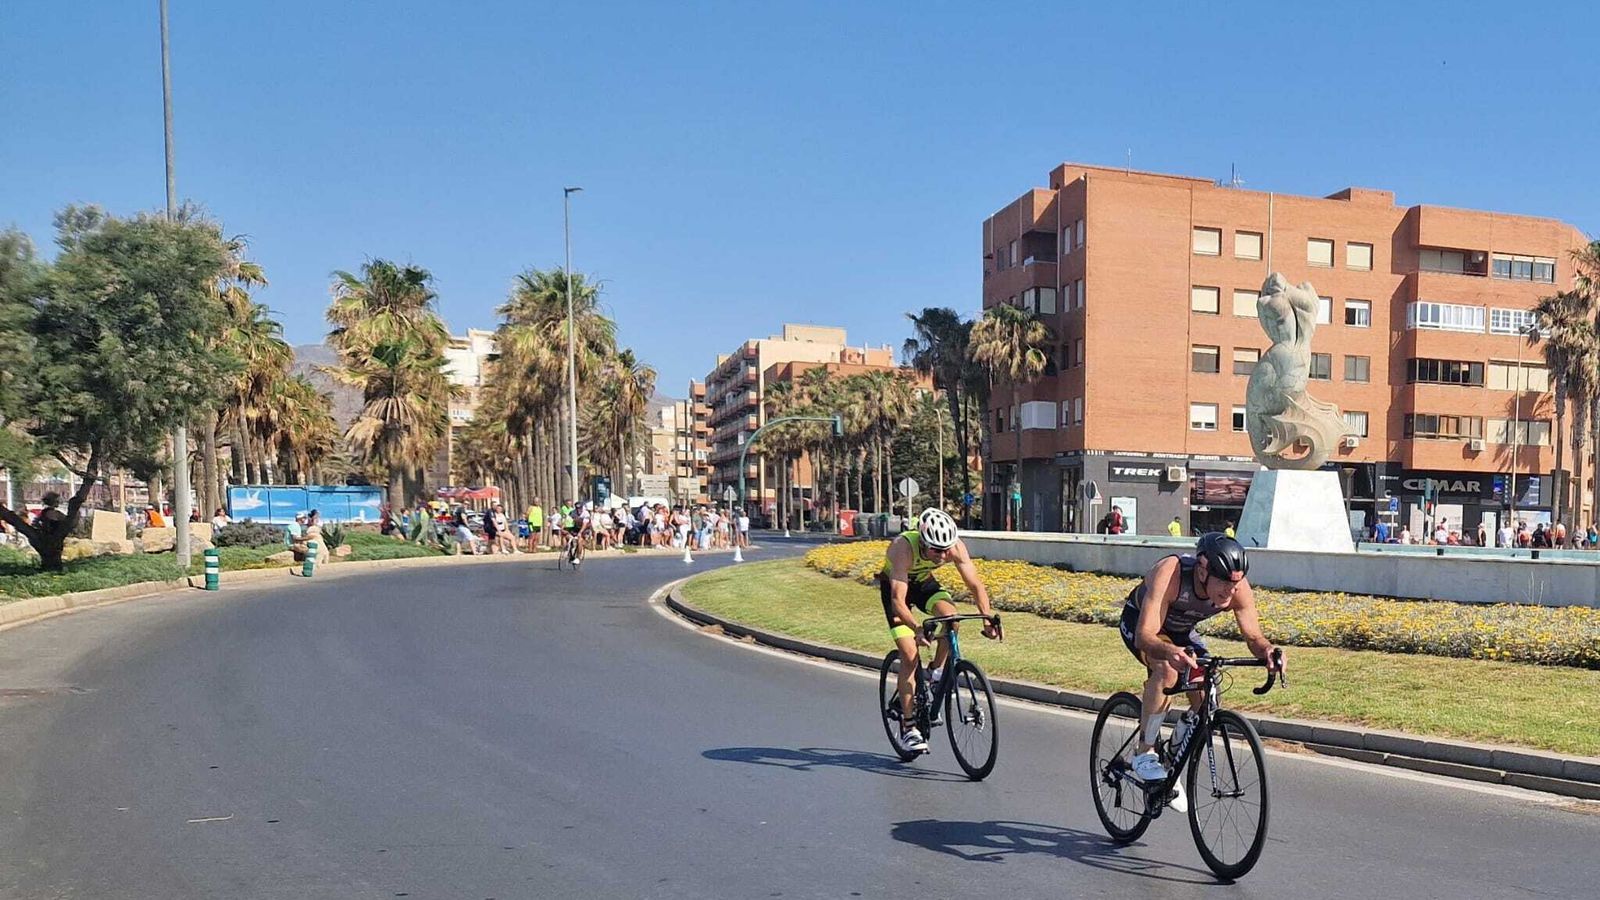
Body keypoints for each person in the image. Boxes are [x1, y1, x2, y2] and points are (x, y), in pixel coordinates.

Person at [1119, 533, 1282, 803]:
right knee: (1167, 670)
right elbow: (1145, 636)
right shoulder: (1170, 573)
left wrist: (1267, 651)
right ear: (1203, 570)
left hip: (1181, 631)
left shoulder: (1236, 585)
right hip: (1142, 624)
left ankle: (1172, 755)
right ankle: (1145, 751)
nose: (1230, 592)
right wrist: (1170, 651)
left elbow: (1253, 636)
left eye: (1235, 584)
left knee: (1208, 691)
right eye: (1224, 584)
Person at [878, 508, 999, 754]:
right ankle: (909, 727)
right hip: (897, 591)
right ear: (922, 541)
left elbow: (975, 585)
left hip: (923, 583)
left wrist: (988, 618)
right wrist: (917, 628)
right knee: (910, 655)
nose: (943, 556)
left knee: (952, 619)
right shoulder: (903, 548)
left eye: (946, 550)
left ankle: (935, 673)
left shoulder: (953, 547)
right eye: (936, 550)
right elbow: (899, 602)